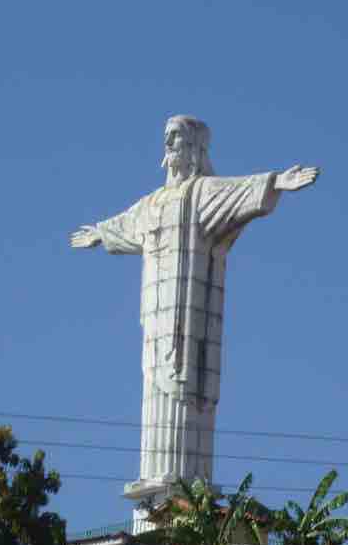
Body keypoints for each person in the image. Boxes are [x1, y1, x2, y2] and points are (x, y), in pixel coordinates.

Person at [70, 116, 319, 498]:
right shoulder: (151, 204)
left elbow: (238, 192)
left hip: (191, 316)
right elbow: (122, 224)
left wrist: (275, 183)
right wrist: (100, 234)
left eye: (179, 140)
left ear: (197, 150)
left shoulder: (201, 193)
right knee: (155, 384)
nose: (170, 146)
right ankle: (154, 485)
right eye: (167, 140)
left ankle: (183, 487)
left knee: (188, 387)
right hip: (156, 320)